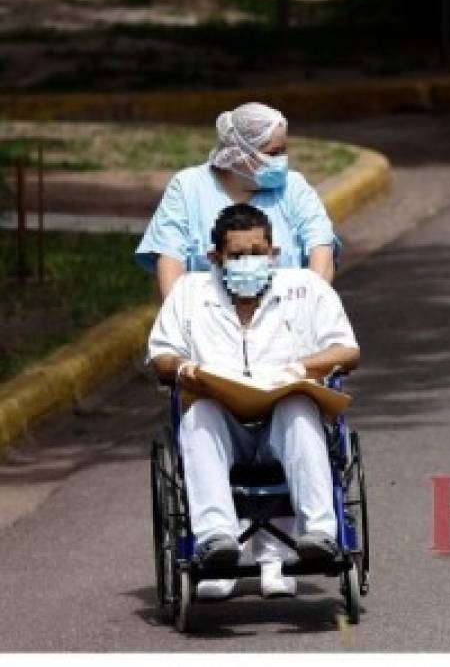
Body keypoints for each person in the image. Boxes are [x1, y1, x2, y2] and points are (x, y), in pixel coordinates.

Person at [147, 203, 360, 599]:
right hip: (223, 420)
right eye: (238, 255)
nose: (250, 261)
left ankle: (320, 533)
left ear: (273, 252)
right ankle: (216, 538)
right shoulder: (190, 294)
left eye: (258, 252)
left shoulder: (305, 289)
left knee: (298, 408)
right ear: (216, 257)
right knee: (199, 414)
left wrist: (301, 367)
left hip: (283, 416)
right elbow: (160, 356)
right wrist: (185, 369)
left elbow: (347, 351)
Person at [136, 102, 339, 300]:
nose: (281, 161)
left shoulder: (293, 187)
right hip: (208, 322)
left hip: (286, 321)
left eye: (283, 151)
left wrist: (313, 306)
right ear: (238, 154)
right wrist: (182, 319)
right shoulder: (187, 188)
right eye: (272, 153)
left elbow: (321, 247)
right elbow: (170, 260)